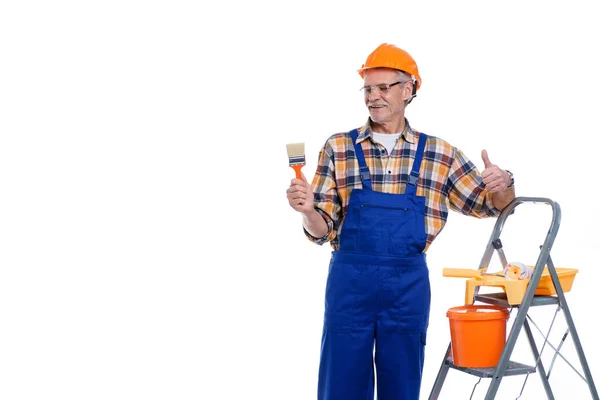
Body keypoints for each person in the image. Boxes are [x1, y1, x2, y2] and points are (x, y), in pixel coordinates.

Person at [286, 43, 515, 400]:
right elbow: (322, 230)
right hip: (350, 284)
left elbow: (494, 207)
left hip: (406, 287)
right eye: (367, 89)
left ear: (408, 90)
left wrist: (504, 185)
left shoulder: (440, 153)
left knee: (402, 385)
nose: (373, 97)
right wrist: (308, 211)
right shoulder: (338, 147)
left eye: (383, 88)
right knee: (341, 384)